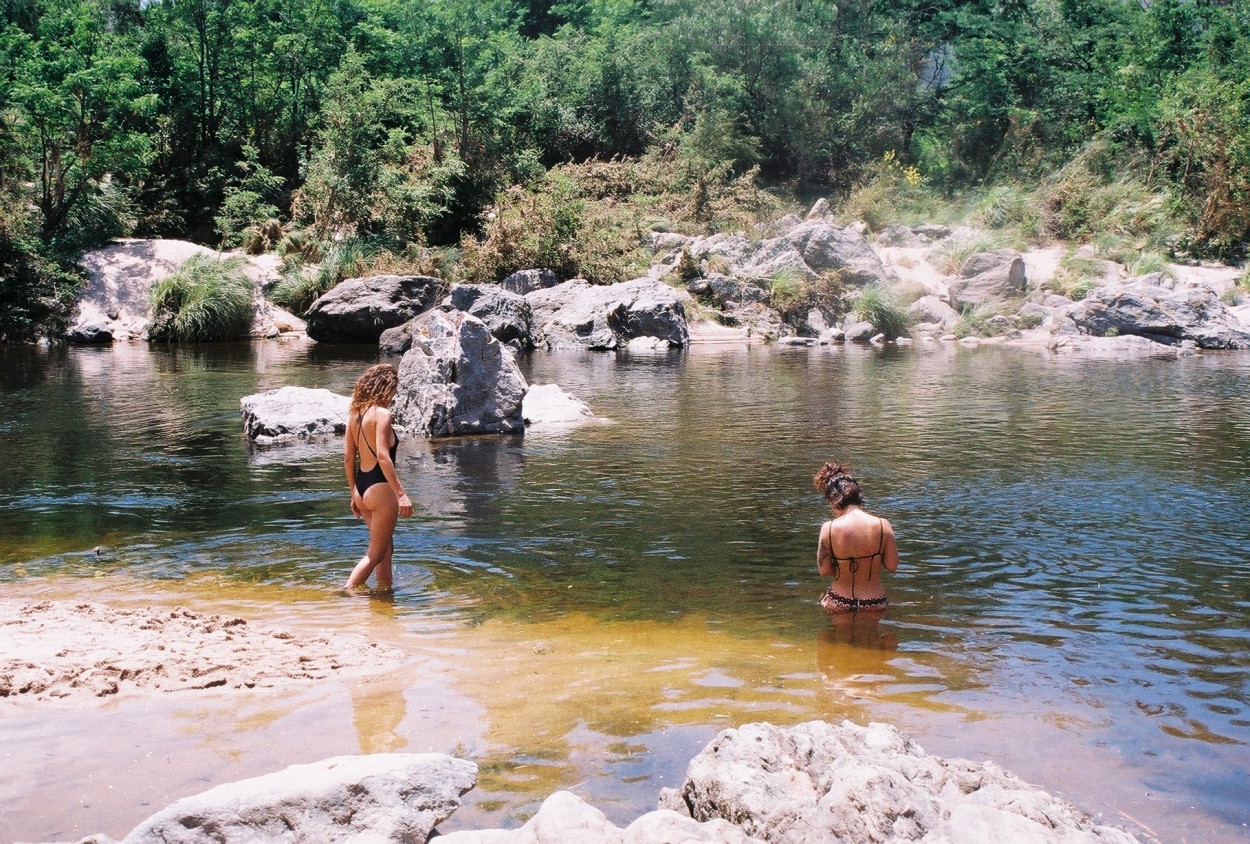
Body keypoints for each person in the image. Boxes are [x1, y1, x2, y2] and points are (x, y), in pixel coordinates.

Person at [344, 364, 412, 589]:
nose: (395, 396)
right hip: (380, 488)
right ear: (386, 388)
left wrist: (354, 492)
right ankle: (347, 592)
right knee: (374, 553)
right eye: (394, 389)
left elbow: (347, 458)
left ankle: (384, 593)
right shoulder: (382, 414)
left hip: (362, 487)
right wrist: (401, 494)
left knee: (385, 548)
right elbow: (383, 456)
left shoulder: (355, 414)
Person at [813, 462, 899, 613]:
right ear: (858, 496)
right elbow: (892, 566)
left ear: (833, 502)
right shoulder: (883, 525)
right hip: (874, 602)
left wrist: (844, 566)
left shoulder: (829, 528)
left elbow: (824, 570)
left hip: (839, 600)